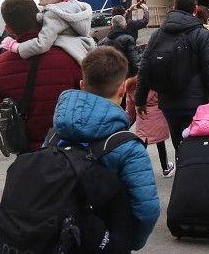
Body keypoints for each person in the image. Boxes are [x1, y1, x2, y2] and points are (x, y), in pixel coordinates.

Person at [53, 47, 160, 251]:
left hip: (61, 238)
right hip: (104, 241)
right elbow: (147, 208)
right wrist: (127, 241)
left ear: (82, 85)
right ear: (122, 90)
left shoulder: (55, 133)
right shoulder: (128, 146)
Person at [134, 0, 209, 149]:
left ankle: (182, 169)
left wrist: (140, 100)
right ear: (195, 10)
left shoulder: (157, 35)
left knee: (179, 147)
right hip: (196, 103)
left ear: (174, 7)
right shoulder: (202, 35)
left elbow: (144, 69)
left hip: (168, 103)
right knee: (197, 148)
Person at [0, 0, 83, 152]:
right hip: (67, 153)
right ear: (39, 18)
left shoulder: (0, 65)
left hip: (28, 157)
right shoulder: (69, 55)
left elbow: (5, 108)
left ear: (8, 28)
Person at [0, 0, 96, 65]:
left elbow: (42, 44)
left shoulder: (53, 14)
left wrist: (16, 47)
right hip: (82, 50)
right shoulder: (72, 9)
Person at [125, 73, 175, 178]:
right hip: (158, 117)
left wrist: (126, 123)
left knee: (142, 144)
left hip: (142, 117)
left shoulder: (131, 87)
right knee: (161, 144)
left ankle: (137, 169)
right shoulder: (155, 82)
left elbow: (130, 108)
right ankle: (165, 168)